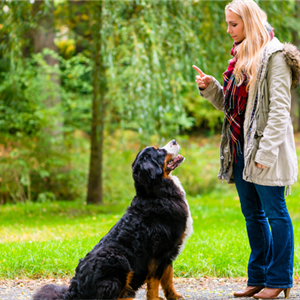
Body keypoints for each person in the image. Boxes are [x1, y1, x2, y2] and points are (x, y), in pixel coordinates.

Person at [193, 0, 300, 299]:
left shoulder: (274, 56)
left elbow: (280, 110)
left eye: (234, 24)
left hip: (265, 152)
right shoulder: (240, 56)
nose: (228, 30)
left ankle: (279, 280)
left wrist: (265, 153)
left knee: (275, 213)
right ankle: (259, 277)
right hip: (239, 148)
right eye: (227, 23)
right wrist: (212, 87)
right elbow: (233, 110)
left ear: (249, 22)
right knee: (253, 215)